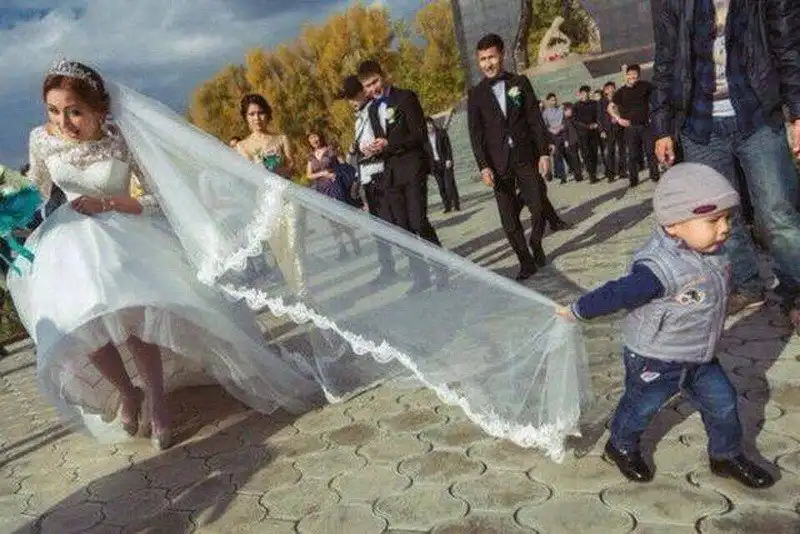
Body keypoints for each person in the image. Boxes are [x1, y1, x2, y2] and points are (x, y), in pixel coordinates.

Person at [9, 61, 328, 450]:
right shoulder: (42, 140)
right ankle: (128, 392)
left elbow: (155, 197)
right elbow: (38, 191)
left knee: (134, 320)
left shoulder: (120, 139)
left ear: (98, 109)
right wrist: (10, 203)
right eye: (54, 111)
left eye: (74, 111)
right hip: (69, 244)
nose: (64, 122)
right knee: (82, 325)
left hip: (123, 236)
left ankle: (157, 399)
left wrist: (108, 203)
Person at [558, 163, 774, 489]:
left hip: (699, 356)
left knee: (724, 403)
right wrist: (578, 310)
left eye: (727, 218)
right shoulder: (657, 269)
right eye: (713, 220)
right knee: (640, 406)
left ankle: (726, 455)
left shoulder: (712, 250)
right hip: (655, 358)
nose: (724, 228)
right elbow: (617, 293)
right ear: (674, 225)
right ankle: (620, 445)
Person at [651, 0, 800, 327]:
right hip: (700, 124)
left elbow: (789, 45)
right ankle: (746, 284)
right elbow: (666, 57)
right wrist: (662, 127)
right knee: (719, 216)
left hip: (758, 115)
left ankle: (796, 290)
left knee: (777, 212)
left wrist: (797, 112)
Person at [467, 33, 552, 281]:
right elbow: (476, 134)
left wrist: (543, 153)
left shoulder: (520, 82)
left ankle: (536, 241)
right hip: (497, 163)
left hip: (525, 155)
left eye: (491, 57)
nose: (488, 64)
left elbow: (534, 120)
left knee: (538, 205)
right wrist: (484, 166)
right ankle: (525, 262)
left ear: (501, 55)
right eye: (483, 59)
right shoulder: (476, 94)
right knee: (508, 219)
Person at [357, 59, 444, 291]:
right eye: (367, 86)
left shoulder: (406, 97)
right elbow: (382, 140)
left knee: (418, 222)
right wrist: (373, 148)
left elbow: (419, 134)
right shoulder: (372, 110)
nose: (373, 89)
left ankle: (441, 267)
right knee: (403, 229)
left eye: (375, 82)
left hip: (412, 168)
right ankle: (420, 276)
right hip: (391, 174)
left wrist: (390, 144)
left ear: (383, 76)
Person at [306, 132, 360, 259]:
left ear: (320, 137)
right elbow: (309, 175)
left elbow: (344, 165)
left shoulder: (331, 150)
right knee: (331, 220)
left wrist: (338, 172)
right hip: (322, 190)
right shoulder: (311, 156)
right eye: (311, 138)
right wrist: (322, 173)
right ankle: (342, 248)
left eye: (315, 136)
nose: (314, 140)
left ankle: (353, 239)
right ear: (309, 142)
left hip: (335, 186)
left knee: (341, 217)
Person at [609, 64, 660, 187]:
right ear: (626, 75)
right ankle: (633, 180)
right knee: (632, 155)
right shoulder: (620, 92)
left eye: (635, 75)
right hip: (630, 128)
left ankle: (655, 176)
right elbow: (610, 107)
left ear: (638, 75)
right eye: (629, 74)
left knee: (650, 152)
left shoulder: (645, 86)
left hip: (645, 125)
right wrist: (619, 119)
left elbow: (657, 95)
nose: (632, 77)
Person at [235, 94, 294, 177]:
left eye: (261, 113)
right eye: (252, 114)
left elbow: (291, 168)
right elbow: (248, 175)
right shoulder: (242, 146)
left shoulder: (282, 139)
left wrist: (277, 169)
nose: (257, 118)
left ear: (267, 114)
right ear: (246, 117)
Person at [425, 117, 460, 213]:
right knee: (441, 187)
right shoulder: (424, 139)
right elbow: (425, 154)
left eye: (430, 124)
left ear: (433, 123)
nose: (429, 127)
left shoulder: (441, 133)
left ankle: (456, 204)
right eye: (426, 125)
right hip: (435, 165)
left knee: (450, 185)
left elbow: (448, 147)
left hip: (445, 162)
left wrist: (449, 159)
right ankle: (447, 206)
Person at [573, 85, 600, 183]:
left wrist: (596, 124)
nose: (586, 95)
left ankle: (594, 172)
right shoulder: (576, 106)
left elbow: (598, 115)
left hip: (594, 132)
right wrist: (587, 126)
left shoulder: (594, 103)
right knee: (586, 154)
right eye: (584, 93)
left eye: (588, 92)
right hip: (583, 134)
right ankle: (591, 175)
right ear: (580, 94)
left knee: (594, 153)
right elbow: (575, 121)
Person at [542, 93, 568, 184]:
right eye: (552, 100)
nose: (554, 102)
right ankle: (562, 176)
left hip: (563, 133)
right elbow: (545, 126)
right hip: (553, 136)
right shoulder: (545, 113)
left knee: (567, 153)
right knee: (557, 155)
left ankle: (574, 169)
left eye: (555, 100)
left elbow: (565, 120)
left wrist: (561, 127)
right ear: (548, 101)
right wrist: (552, 130)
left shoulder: (561, 109)